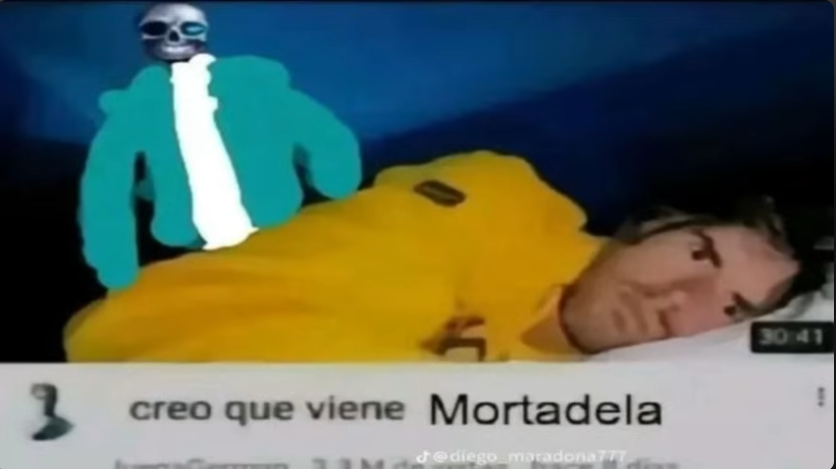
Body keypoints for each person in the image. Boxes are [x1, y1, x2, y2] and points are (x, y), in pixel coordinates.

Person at [63, 151, 821, 362]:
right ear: (653, 225)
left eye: (729, 308)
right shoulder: (503, 202)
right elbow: (175, 331)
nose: (678, 298)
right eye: (697, 252)